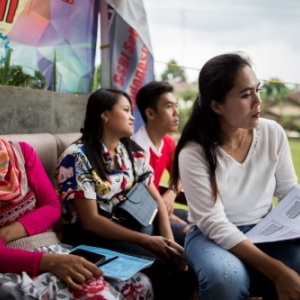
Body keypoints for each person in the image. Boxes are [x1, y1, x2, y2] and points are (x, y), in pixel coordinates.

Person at [169, 52, 300, 300]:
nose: (258, 102)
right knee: (224, 278)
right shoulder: (194, 152)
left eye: (258, 90)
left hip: (268, 229)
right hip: (210, 236)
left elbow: (288, 192)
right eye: (245, 94)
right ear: (216, 105)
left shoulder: (273, 133)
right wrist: (278, 272)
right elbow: (214, 223)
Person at [55, 88, 197, 300]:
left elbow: (156, 197)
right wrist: (147, 241)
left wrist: (168, 241)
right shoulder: (77, 157)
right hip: (92, 235)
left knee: (191, 245)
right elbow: (91, 221)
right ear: (105, 115)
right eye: (126, 110)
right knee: (159, 265)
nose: (132, 116)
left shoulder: (131, 151)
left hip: (133, 222)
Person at [0, 138, 124, 299]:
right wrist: (50, 262)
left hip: (51, 247)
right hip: (13, 263)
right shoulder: (76, 155)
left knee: (139, 283)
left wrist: (5, 234)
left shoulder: (20, 152)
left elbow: (52, 206)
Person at [132, 81, 189, 246]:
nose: (176, 112)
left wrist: (171, 193)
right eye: (169, 107)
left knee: (206, 224)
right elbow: (138, 200)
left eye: (176, 106)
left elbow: (181, 175)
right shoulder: (137, 150)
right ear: (150, 113)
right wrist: (164, 213)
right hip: (145, 217)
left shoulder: (168, 142)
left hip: (161, 208)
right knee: (196, 235)